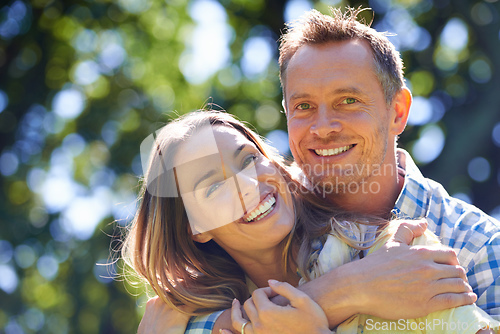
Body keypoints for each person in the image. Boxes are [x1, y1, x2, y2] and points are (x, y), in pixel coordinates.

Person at [143, 6, 499, 334]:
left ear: (398, 112)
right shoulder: (201, 293)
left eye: (348, 101)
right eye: (304, 106)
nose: (324, 127)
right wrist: (350, 289)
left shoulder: (477, 247)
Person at [124, 110, 499, 334]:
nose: (250, 186)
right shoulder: (186, 320)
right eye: (215, 186)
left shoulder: (393, 254)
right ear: (195, 228)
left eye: (248, 159)